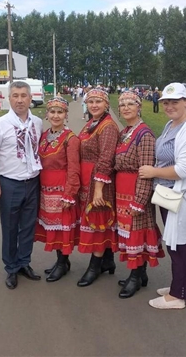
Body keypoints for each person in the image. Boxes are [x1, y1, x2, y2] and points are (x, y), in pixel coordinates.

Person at [138, 82, 186, 310]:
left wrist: (153, 172)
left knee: (179, 242)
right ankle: (183, 284)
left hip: (181, 193)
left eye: (174, 102)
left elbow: (183, 170)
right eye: (166, 102)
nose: (169, 106)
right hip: (168, 192)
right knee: (178, 241)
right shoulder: (172, 124)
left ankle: (178, 295)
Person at [0, 81, 43, 290]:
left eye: (24, 95)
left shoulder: (37, 122)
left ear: (30, 98)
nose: (20, 100)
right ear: (9, 98)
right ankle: (11, 267)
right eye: (15, 95)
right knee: (10, 228)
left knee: (28, 226)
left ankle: (24, 262)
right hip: (10, 183)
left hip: (33, 181)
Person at [115, 91, 164, 299]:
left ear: (139, 107)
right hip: (122, 191)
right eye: (122, 104)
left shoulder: (144, 134)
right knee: (129, 233)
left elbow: (146, 170)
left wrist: (140, 201)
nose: (126, 108)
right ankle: (140, 274)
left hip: (135, 192)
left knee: (137, 234)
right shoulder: (126, 130)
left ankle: (135, 276)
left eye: (130, 104)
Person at [76, 88, 119, 287]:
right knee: (95, 219)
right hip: (87, 178)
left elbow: (106, 158)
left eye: (98, 101)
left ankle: (94, 266)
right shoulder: (92, 123)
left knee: (98, 220)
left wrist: (99, 188)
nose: (94, 105)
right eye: (91, 101)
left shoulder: (108, 126)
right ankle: (107, 261)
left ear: (106, 104)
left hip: (98, 180)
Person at [35, 97, 80, 282]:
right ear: (47, 114)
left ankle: (63, 262)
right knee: (52, 227)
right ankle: (60, 261)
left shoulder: (71, 139)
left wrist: (69, 193)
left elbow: (74, 168)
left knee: (62, 228)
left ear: (66, 115)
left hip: (61, 189)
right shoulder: (44, 135)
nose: (55, 115)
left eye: (59, 112)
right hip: (46, 189)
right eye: (52, 112)